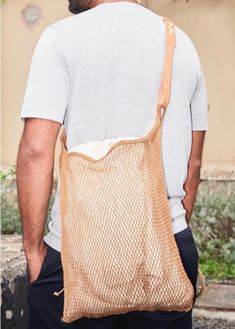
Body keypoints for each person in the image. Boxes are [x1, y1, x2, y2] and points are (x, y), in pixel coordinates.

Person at [16, 0, 208, 328]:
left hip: (78, 251)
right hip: (166, 248)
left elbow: (36, 150)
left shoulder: (60, 38)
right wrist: (169, 231)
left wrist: (34, 252)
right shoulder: (181, 43)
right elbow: (193, 163)